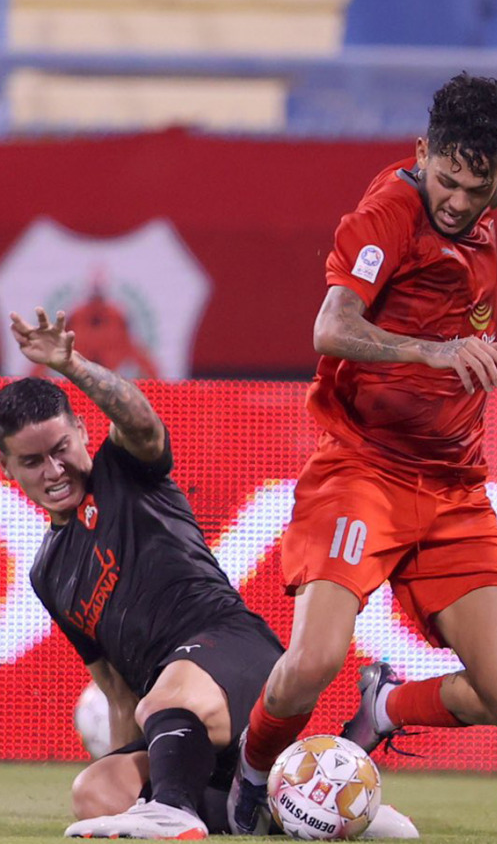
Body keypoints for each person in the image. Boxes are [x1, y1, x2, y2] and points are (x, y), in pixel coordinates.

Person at [226, 73, 497, 834]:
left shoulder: (483, 187)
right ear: (421, 153)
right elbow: (330, 327)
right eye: (447, 180)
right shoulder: (388, 213)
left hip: (455, 488)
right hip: (363, 469)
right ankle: (253, 773)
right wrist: (437, 351)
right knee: (312, 659)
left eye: (478, 184)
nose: (459, 200)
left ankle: (385, 706)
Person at [2, 308, 286, 840]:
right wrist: (131, 773)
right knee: (96, 792)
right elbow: (116, 693)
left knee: (167, 698)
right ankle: (282, 812)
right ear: (7, 468)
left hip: (239, 654)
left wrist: (73, 364)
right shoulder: (47, 574)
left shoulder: (125, 471)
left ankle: (175, 810)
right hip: (177, 725)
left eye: (60, 449)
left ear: (83, 432)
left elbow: (140, 421)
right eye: (32, 461)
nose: (54, 469)